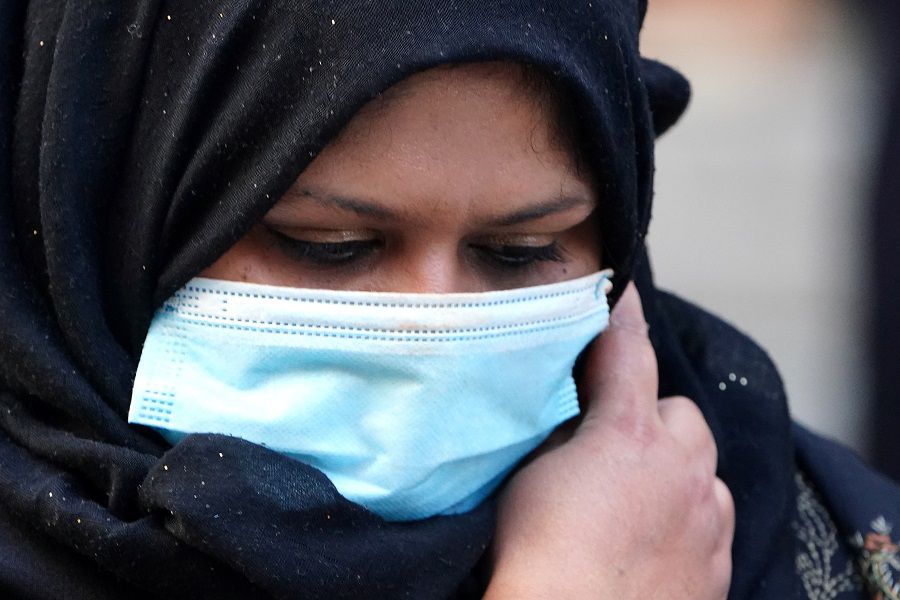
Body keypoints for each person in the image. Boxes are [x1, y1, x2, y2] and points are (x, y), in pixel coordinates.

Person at [0, 2, 896, 599]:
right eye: (331, 246)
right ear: (99, 206)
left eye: (520, 250)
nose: (428, 327)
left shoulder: (789, 539)